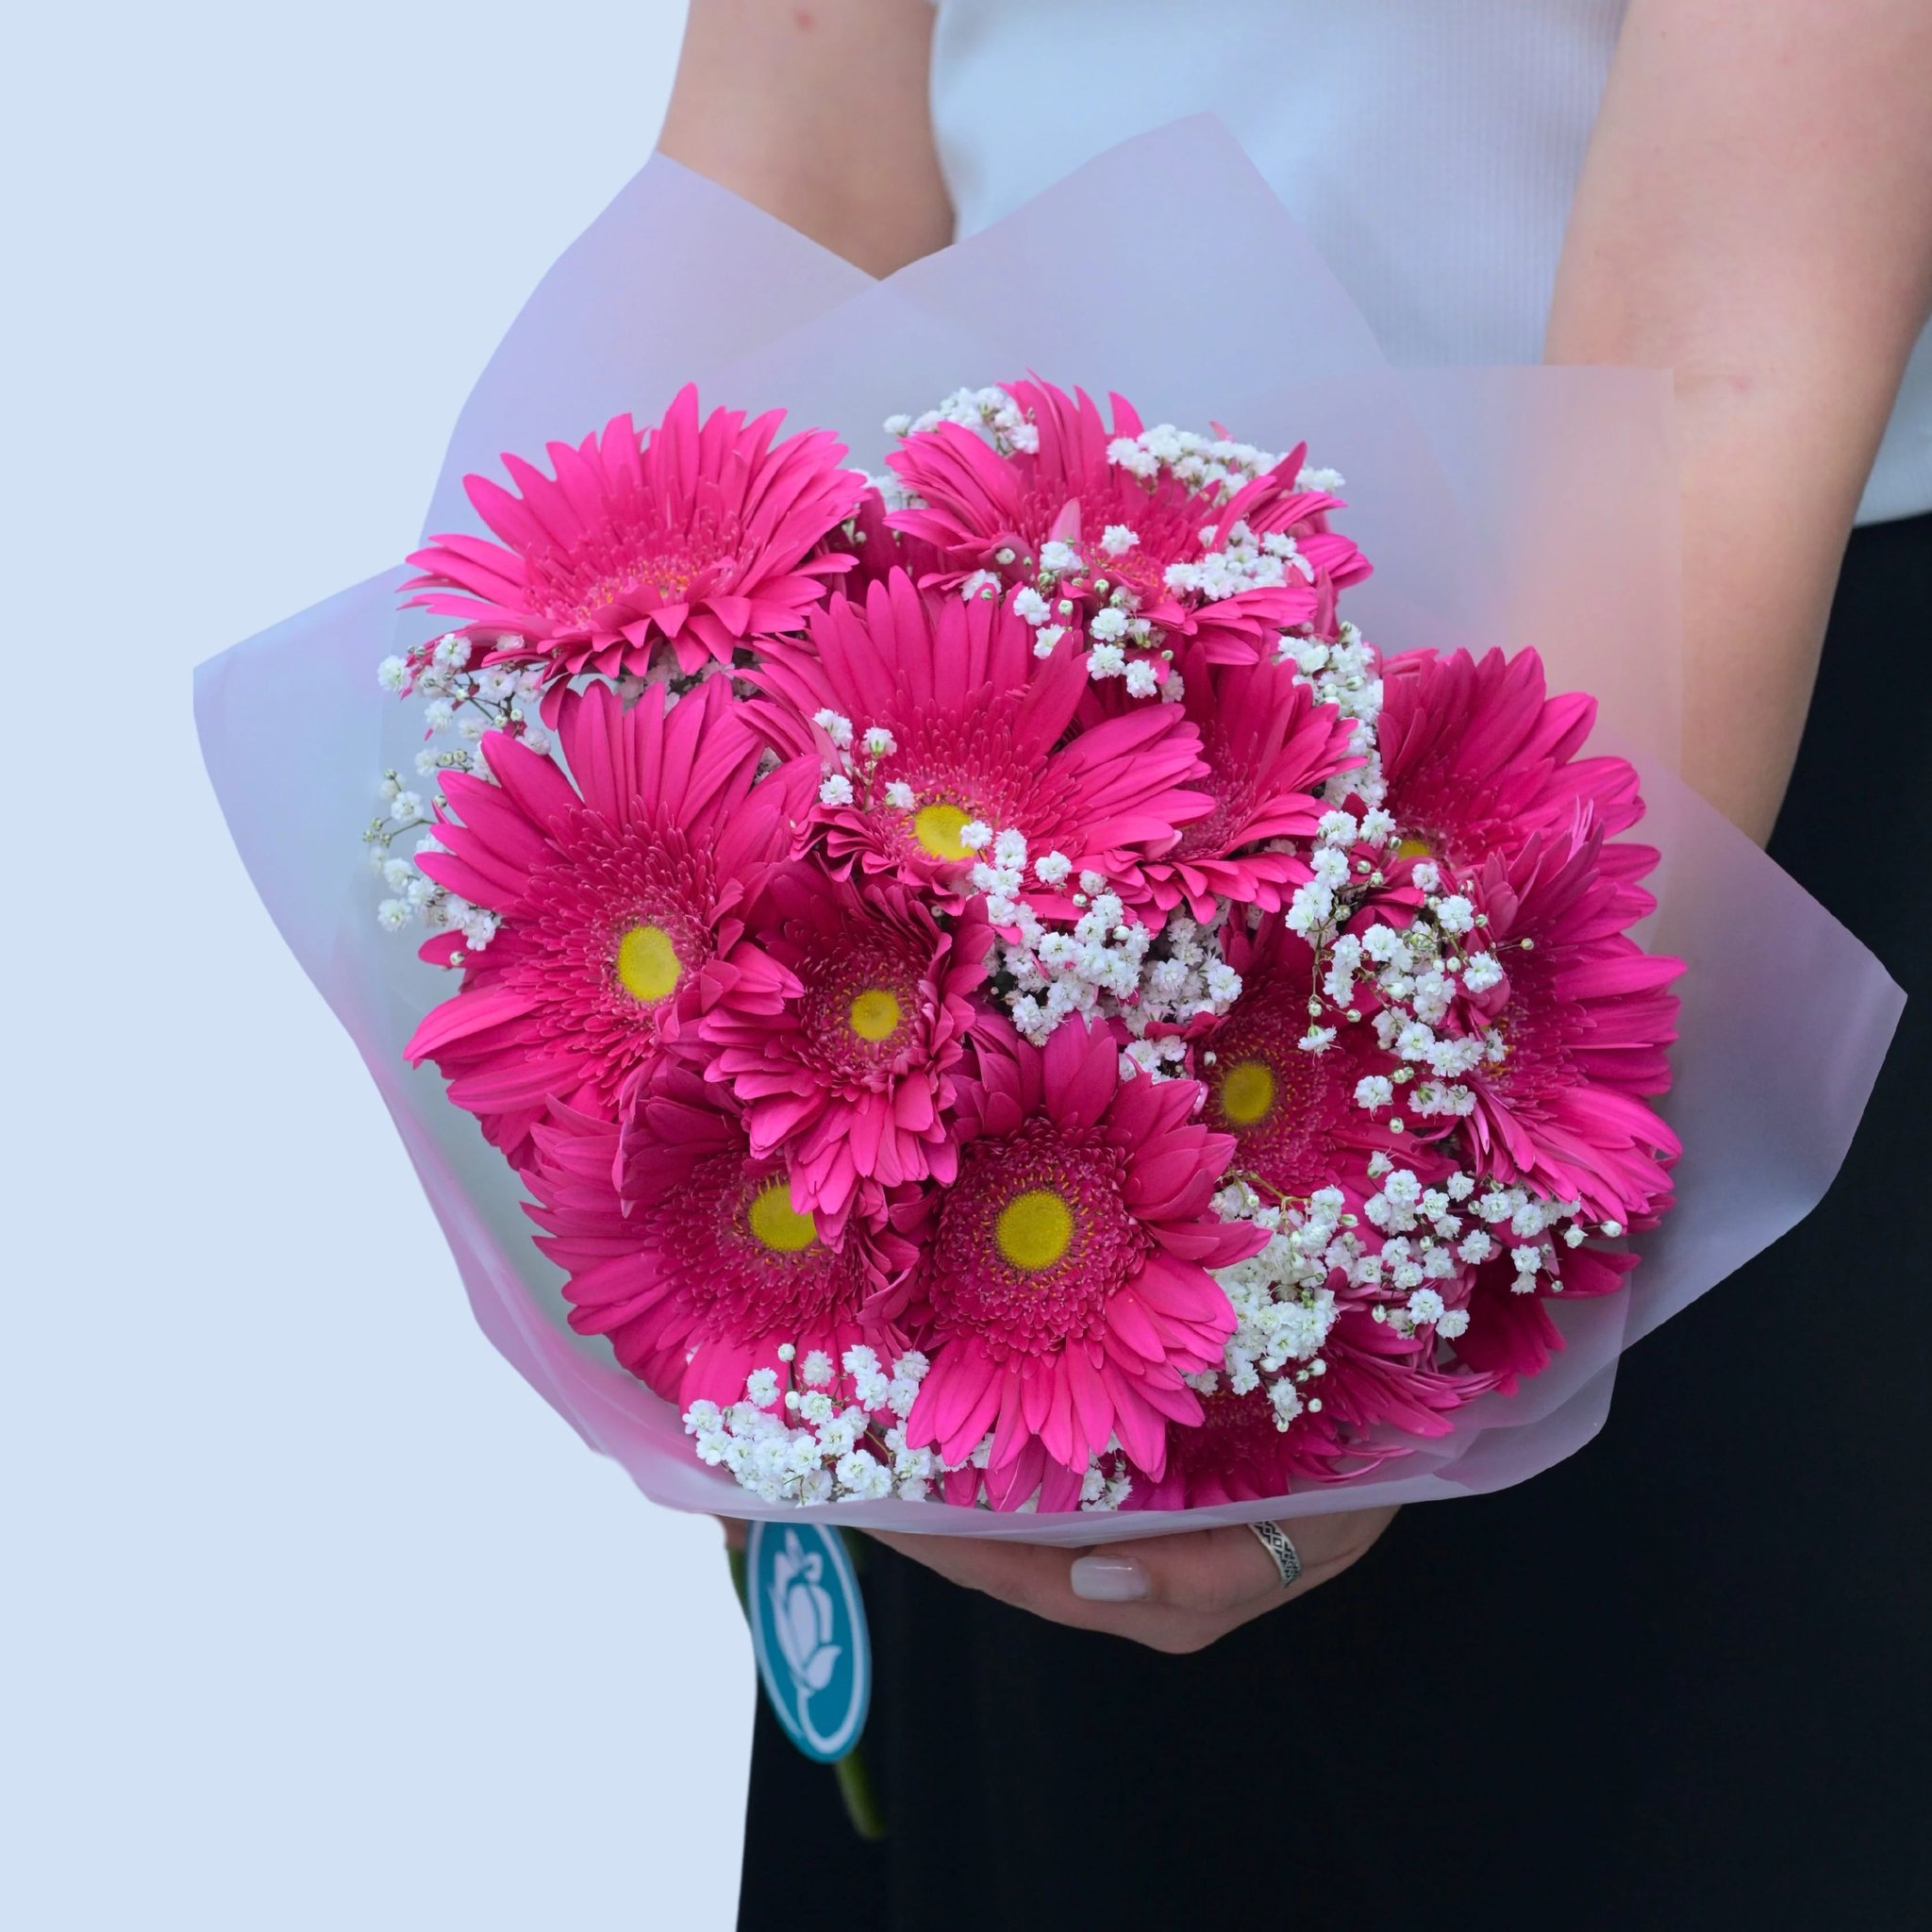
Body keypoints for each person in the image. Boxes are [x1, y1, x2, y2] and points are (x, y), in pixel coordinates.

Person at [659, 3, 1932, 1923]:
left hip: (1659, 797)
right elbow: (791, 165)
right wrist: (649, 904)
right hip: (964, 781)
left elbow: (1724, 346)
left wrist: (1423, 1209)